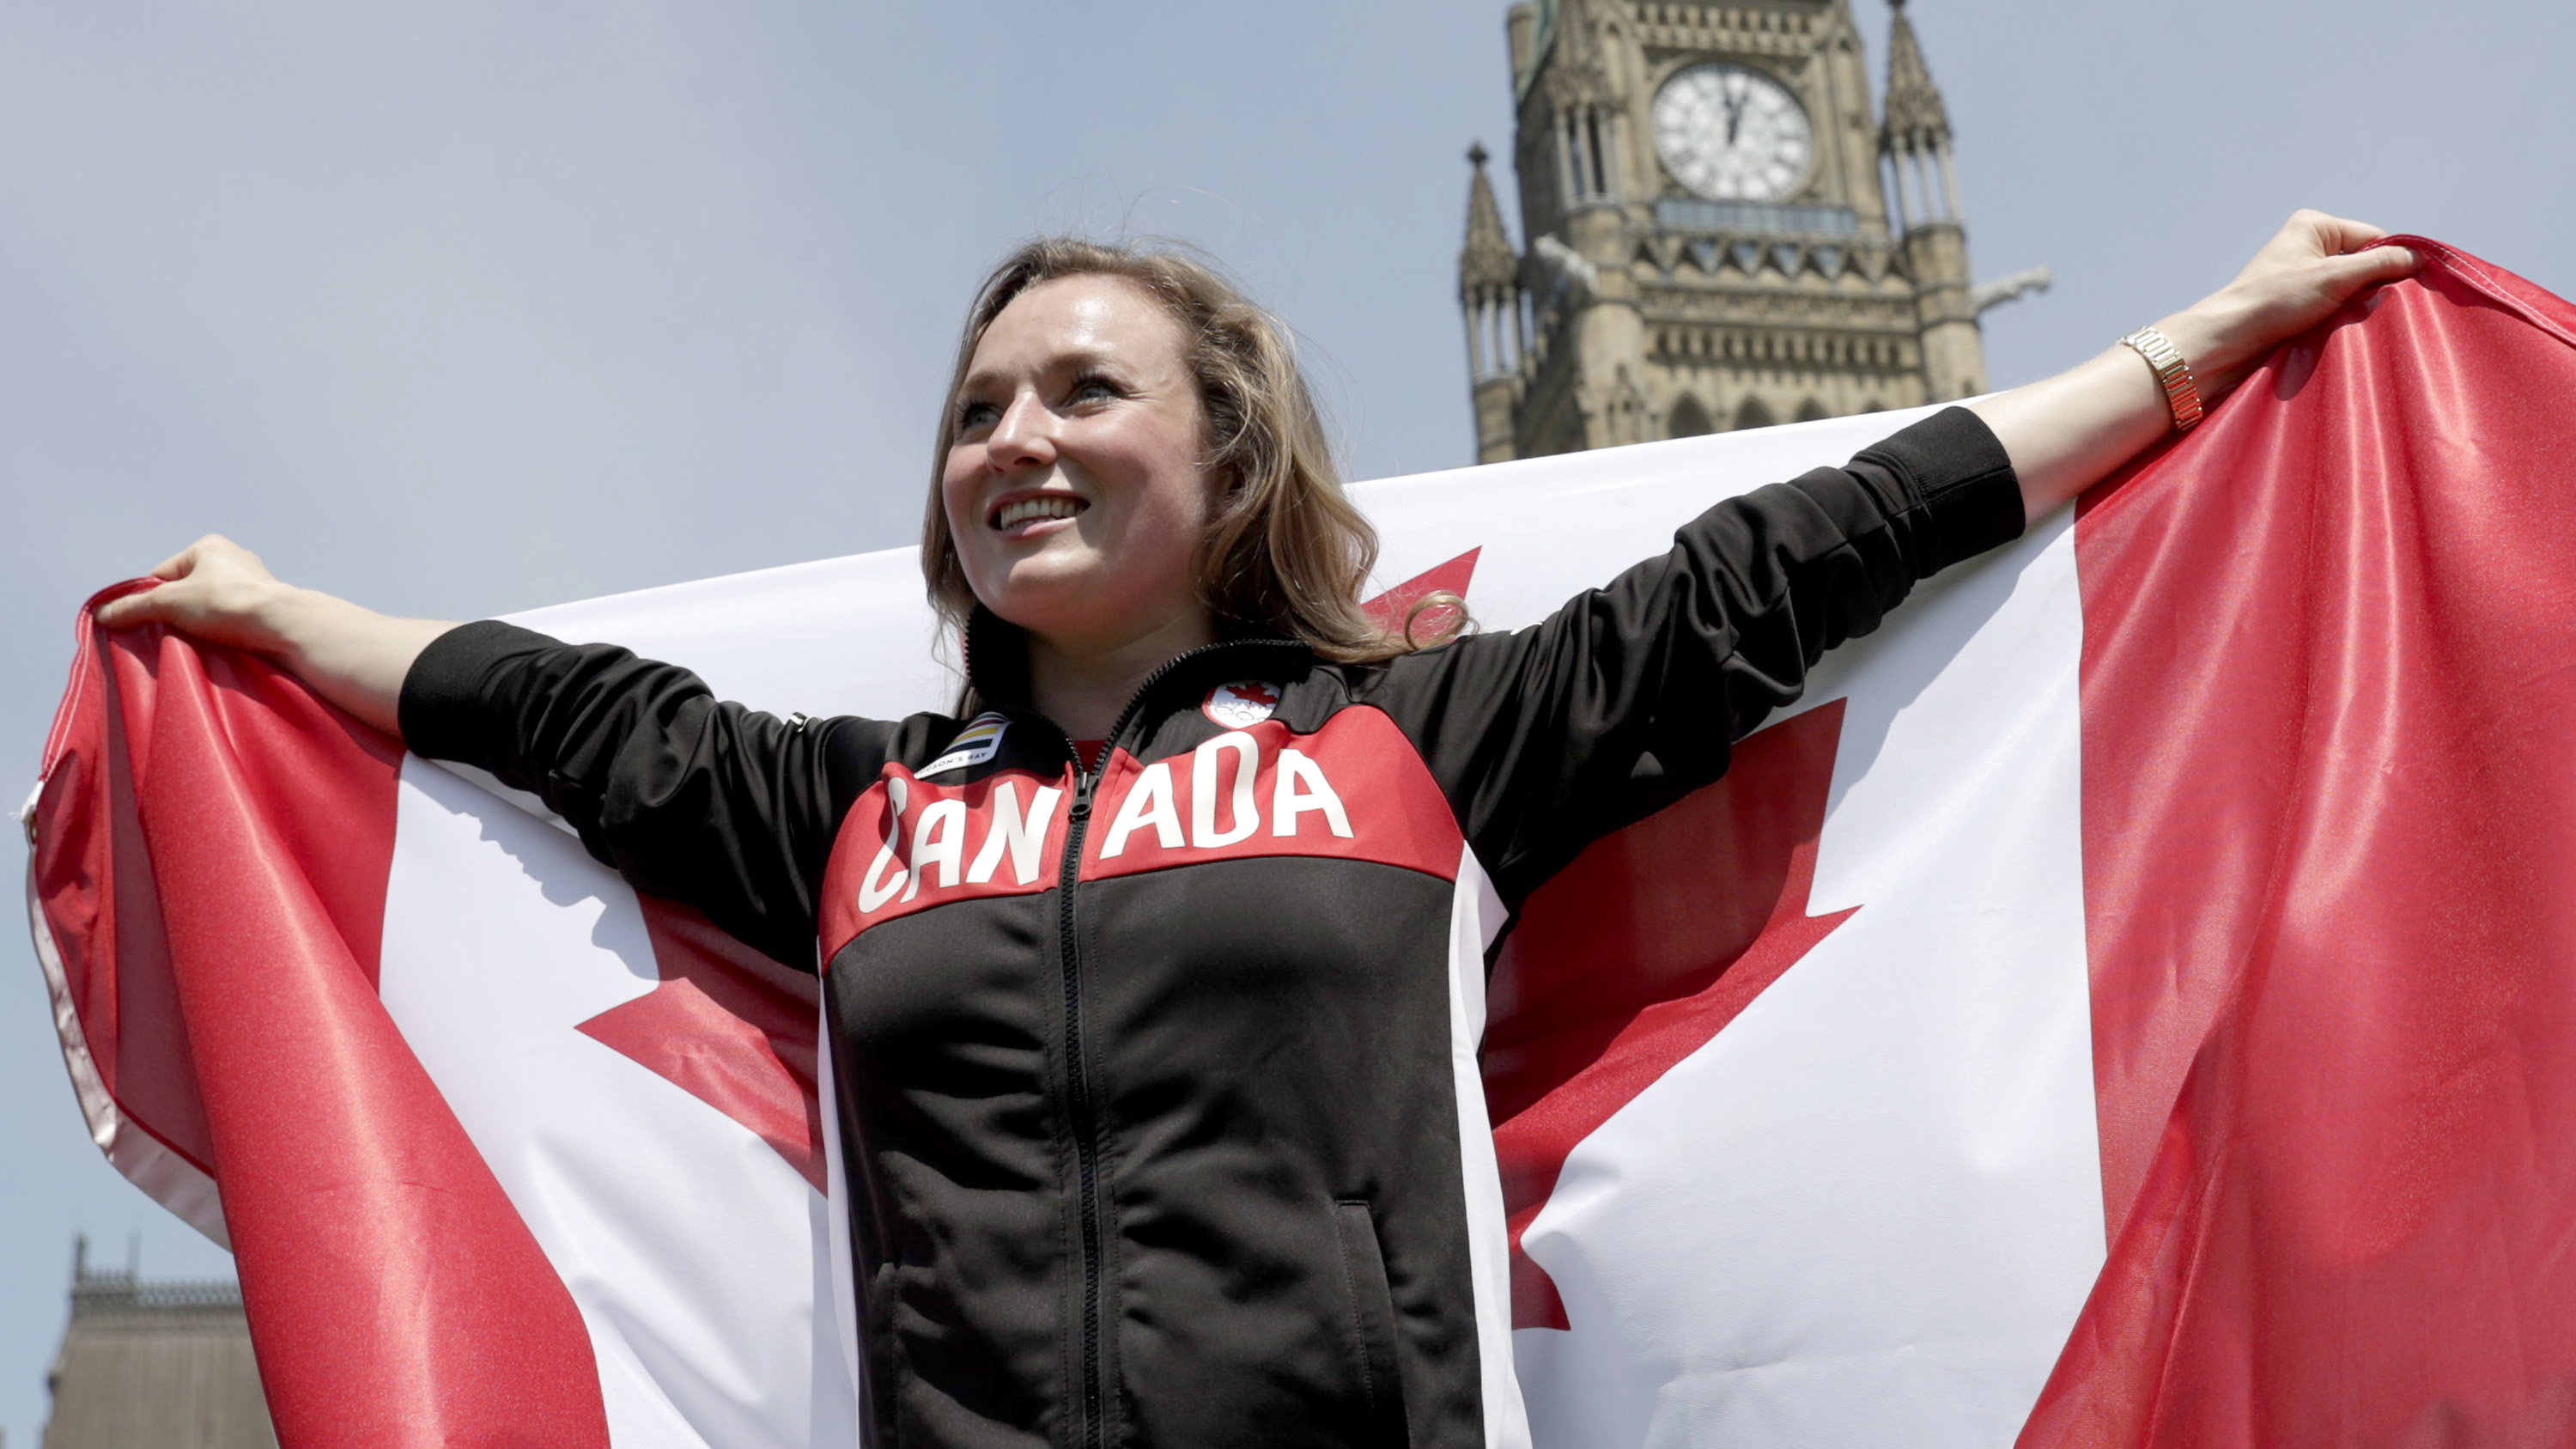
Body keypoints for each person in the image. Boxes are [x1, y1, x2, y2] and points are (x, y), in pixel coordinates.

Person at [102, 212, 2418, 1449]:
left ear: (1226, 452)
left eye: (1081, 391)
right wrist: (282, 619)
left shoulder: (1417, 750)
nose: (1014, 436)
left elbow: (1777, 572)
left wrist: (2188, 353)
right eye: (978, 406)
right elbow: (564, 716)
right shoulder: (854, 813)